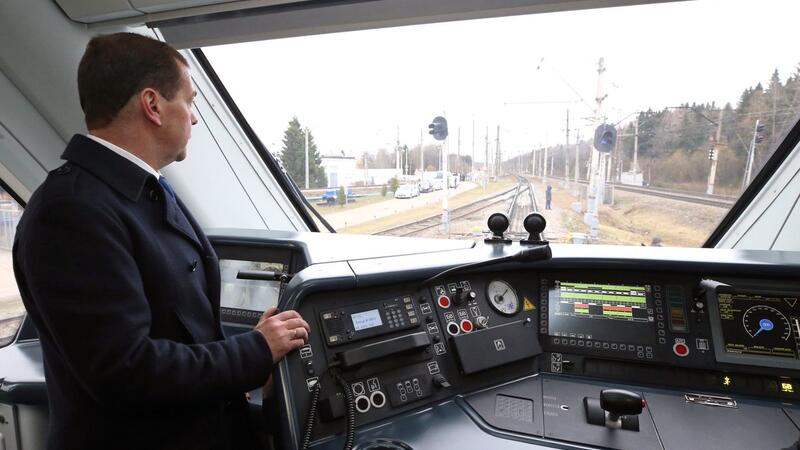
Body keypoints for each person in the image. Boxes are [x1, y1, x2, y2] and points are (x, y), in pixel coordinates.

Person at [12, 32, 309, 450]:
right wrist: (255, 351)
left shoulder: (140, 191)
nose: (194, 118)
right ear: (152, 105)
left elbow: (179, 332)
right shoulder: (70, 212)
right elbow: (126, 371)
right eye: (189, 101)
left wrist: (241, 367)